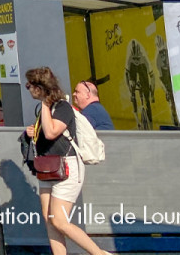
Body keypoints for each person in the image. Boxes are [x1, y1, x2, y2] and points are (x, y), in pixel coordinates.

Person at [23, 67, 112, 255]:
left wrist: (45, 104)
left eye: (29, 85)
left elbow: (51, 132)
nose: (28, 88)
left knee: (59, 220)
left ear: (40, 87)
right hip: (47, 168)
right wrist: (31, 132)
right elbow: (45, 135)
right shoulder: (45, 109)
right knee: (49, 220)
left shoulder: (61, 107)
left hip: (67, 167)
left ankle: (99, 253)